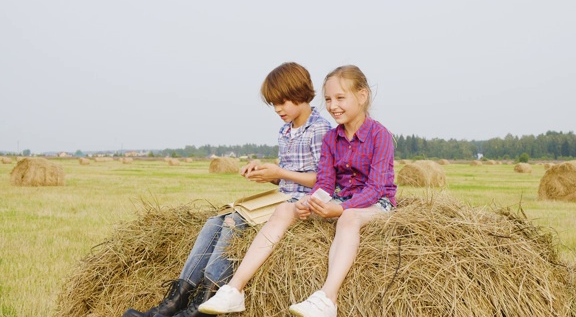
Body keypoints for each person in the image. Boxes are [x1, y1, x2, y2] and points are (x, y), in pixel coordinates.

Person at [122, 62, 331, 317]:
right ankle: (175, 301)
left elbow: (325, 180)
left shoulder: (320, 129)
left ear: (302, 93)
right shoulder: (285, 130)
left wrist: (280, 173)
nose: (278, 109)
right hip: (283, 196)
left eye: (283, 101)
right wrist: (267, 174)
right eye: (273, 104)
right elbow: (290, 176)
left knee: (234, 221)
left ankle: (205, 301)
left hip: (302, 205)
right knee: (216, 220)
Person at [198, 65, 397, 317]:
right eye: (328, 99)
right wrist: (311, 202)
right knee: (284, 209)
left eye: (340, 98)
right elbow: (325, 183)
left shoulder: (380, 135)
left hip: (377, 203)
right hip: (341, 198)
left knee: (349, 218)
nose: (333, 105)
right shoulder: (331, 139)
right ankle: (234, 290)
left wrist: (342, 208)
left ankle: (328, 298)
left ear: (362, 95)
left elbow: (376, 188)